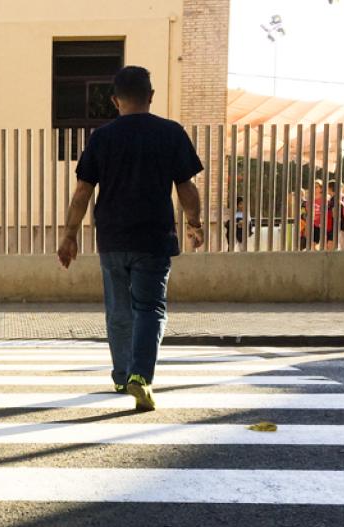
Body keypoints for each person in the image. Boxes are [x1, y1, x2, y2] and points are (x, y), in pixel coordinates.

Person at [57, 65, 204, 412]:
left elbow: (82, 192)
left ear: (114, 100)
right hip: (153, 237)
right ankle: (141, 375)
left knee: (119, 311)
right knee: (150, 308)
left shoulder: (102, 138)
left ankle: (123, 375)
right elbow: (187, 187)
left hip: (112, 238)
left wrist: (69, 236)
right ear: (150, 96)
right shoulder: (171, 133)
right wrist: (195, 223)